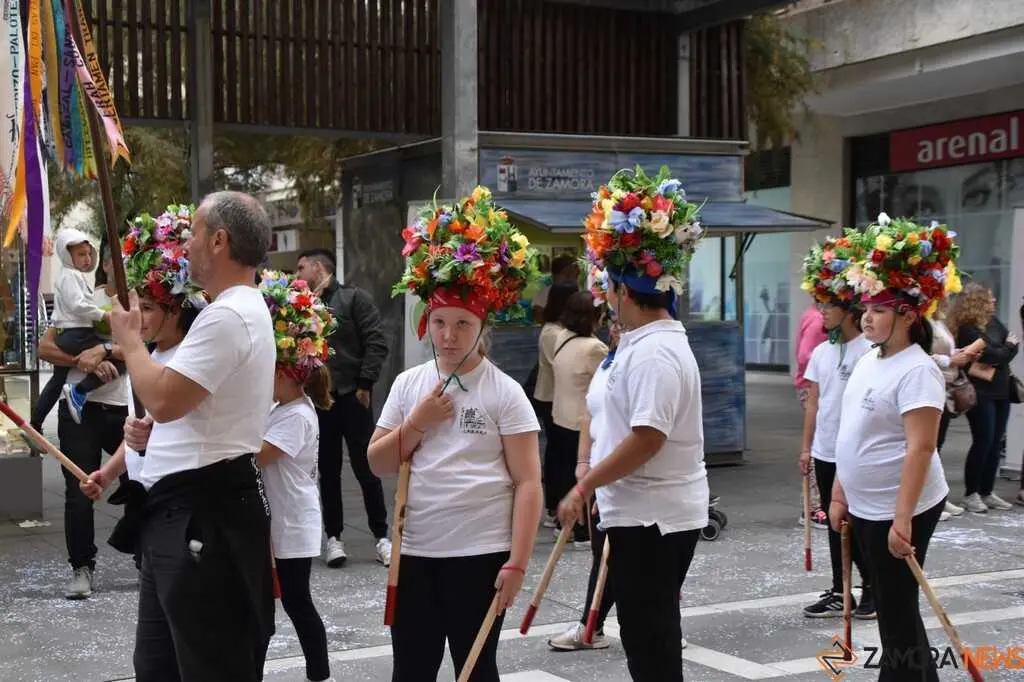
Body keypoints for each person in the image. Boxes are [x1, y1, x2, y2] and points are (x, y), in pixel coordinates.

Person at [370, 186, 542, 681]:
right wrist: (417, 422)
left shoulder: (505, 392)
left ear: (482, 323)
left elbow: (528, 483)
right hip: (416, 553)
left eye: (462, 324)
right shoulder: (409, 384)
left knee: (476, 672)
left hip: (481, 556)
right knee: (412, 671)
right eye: (440, 322)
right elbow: (379, 462)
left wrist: (518, 563)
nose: (448, 336)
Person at [109, 191, 277, 681]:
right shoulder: (230, 309)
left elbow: (163, 397)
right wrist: (154, 433)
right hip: (180, 508)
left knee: (207, 664)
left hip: (204, 512)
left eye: (194, 235)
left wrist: (130, 341)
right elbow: (179, 408)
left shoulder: (228, 316)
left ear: (219, 240)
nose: (186, 246)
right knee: (158, 665)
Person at [558, 167, 708, 681]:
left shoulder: (656, 352)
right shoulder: (637, 345)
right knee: (645, 631)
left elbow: (647, 438)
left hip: (655, 517)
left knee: (652, 634)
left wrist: (586, 483)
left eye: (608, 284)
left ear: (623, 288)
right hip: (635, 513)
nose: (604, 295)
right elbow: (608, 417)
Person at [833, 213, 960, 681]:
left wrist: (902, 519)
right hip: (866, 504)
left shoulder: (917, 369)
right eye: (865, 308)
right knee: (891, 606)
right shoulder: (869, 359)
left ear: (907, 314)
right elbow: (852, 429)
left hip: (901, 506)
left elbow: (921, 448)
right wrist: (841, 493)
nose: (866, 316)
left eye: (879, 309)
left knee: (897, 609)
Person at [79, 206, 207, 569]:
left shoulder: (191, 353)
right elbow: (142, 427)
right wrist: (108, 473)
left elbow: (175, 422)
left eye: (148, 307)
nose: (138, 317)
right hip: (149, 498)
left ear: (177, 309)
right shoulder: (149, 354)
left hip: (182, 504)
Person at [256, 271, 338, 682]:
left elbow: (258, 456)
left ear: (289, 375)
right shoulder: (284, 410)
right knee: (281, 601)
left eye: (269, 372)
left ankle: (320, 672)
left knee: (296, 601)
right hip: (286, 519)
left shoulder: (296, 416)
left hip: (293, 521)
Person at [38, 236, 128, 599]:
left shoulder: (134, 302)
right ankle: (81, 567)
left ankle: (142, 552)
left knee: (145, 480)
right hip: (80, 412)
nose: (104, 261)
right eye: (108, 257)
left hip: (123, 407)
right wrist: (81, 360)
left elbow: (143, 344)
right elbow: (46, 347)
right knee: (79, 493)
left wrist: (104, 349)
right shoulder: (79, 293)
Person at [295, 248, 392, 567]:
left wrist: (365, 384)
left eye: (301, 268)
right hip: (321, 402)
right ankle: (334, 538)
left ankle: (382, 536)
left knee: (368, 468)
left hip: (353, 396)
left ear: (318, 268)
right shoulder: (299, 306)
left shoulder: (354, 298)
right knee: (328, 470)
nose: (297, 276)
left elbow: (376, 342)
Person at [796, 233, 875, 619]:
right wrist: (806, 448)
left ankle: (872, 586)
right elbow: (814, 403)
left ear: (848, 310)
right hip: (826, 450)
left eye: (828, 306)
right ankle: (840, 588)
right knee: (832, 521)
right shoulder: (822, 352)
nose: (821, 312)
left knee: (858, 522)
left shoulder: (867, 351)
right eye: (820, 304)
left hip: (854, 452)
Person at [32, 228, 127, 429]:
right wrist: (90, 358)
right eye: (80, 254)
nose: (122, 268)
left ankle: (35, 423)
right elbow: (44, 348)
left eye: (87, 254)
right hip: (76, 335)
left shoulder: (140, 303)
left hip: (119, 404)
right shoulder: (77, 282)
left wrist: (96, 355)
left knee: (57, 380)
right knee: (121, 362)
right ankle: (79, 391)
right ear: (106, 265)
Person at [947, 283, 1018, 513]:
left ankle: (987, 492)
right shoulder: (968, 329)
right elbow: (995, 352)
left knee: (996, 441)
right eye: (988, 299)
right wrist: (1005, 349)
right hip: (980, 392)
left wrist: (1003, 351)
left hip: (1001, 390)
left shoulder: (994, 323)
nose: (994, 302)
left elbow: (1005, 350)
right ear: (975, 302)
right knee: (984, 440)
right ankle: (971, 493)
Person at [549, 290, 608, 545]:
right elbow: (608, 384)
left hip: (560, 415)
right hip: (581, 421)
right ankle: (582, 529)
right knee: (583, 477)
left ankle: (563, 522)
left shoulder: (562, 336)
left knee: (563, 472)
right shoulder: (594, 348)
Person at [532, 283, 577, 526]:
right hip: (551, 399)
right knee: (560, 454)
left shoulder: (557, 330)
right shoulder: (552, 332)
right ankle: (555, 507)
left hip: (557, 398)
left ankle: (554, 504)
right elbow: (563, 364)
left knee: (558, 453)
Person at [795, 302, 829, 529]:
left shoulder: (812, 314)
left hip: (810, 384)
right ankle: (813, 507)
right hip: (811, 386)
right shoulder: (818, 320)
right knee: (818, 447)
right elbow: (805, 354)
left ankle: (816, 505)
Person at [531, 253, 580, 323]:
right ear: (554, 275)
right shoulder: (543, 294)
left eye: (576, 275)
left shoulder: (579, 294)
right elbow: (539, 318)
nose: (571, 279)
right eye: (567, 274)